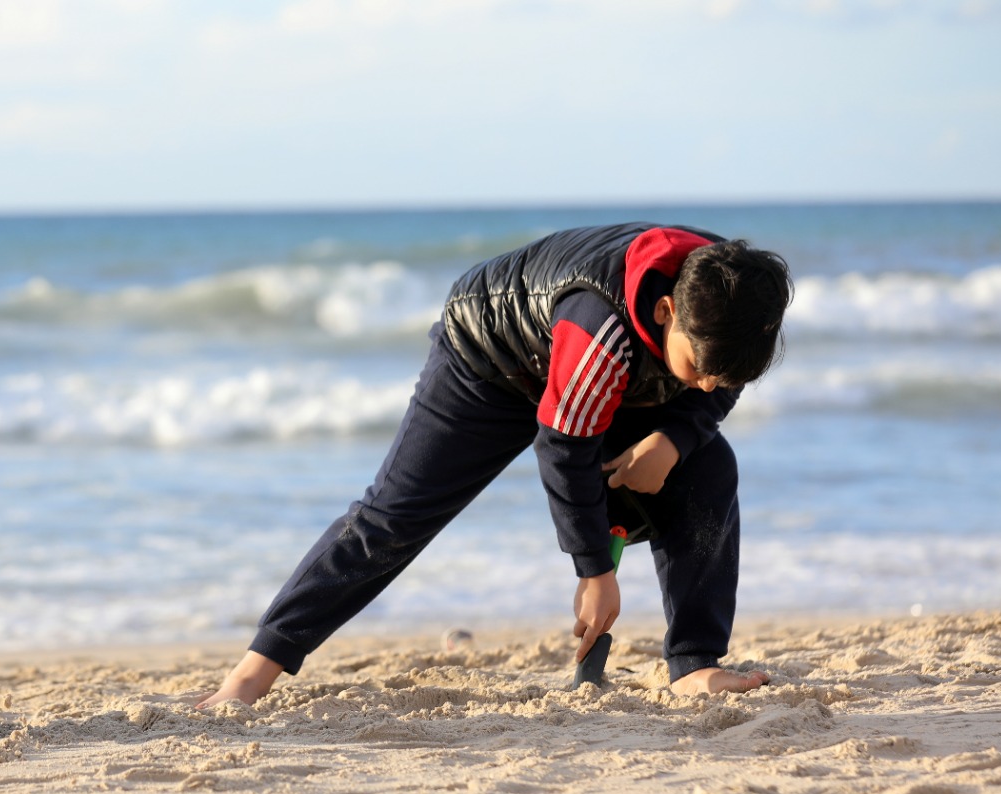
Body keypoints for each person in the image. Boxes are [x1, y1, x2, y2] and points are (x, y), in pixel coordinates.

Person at [199, 223, 792, 709]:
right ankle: (251, 675)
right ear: (666, 311)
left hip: (607, 375)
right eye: (700, 368)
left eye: (728, 375)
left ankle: (693, 662)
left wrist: (676, 434)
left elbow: (719, 380)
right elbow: (562, 446)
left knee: (707, 469)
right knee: (393, 519)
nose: (712, 384)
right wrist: (593, 571)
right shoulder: (601, 328)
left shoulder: (732, 299)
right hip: (489, 363)